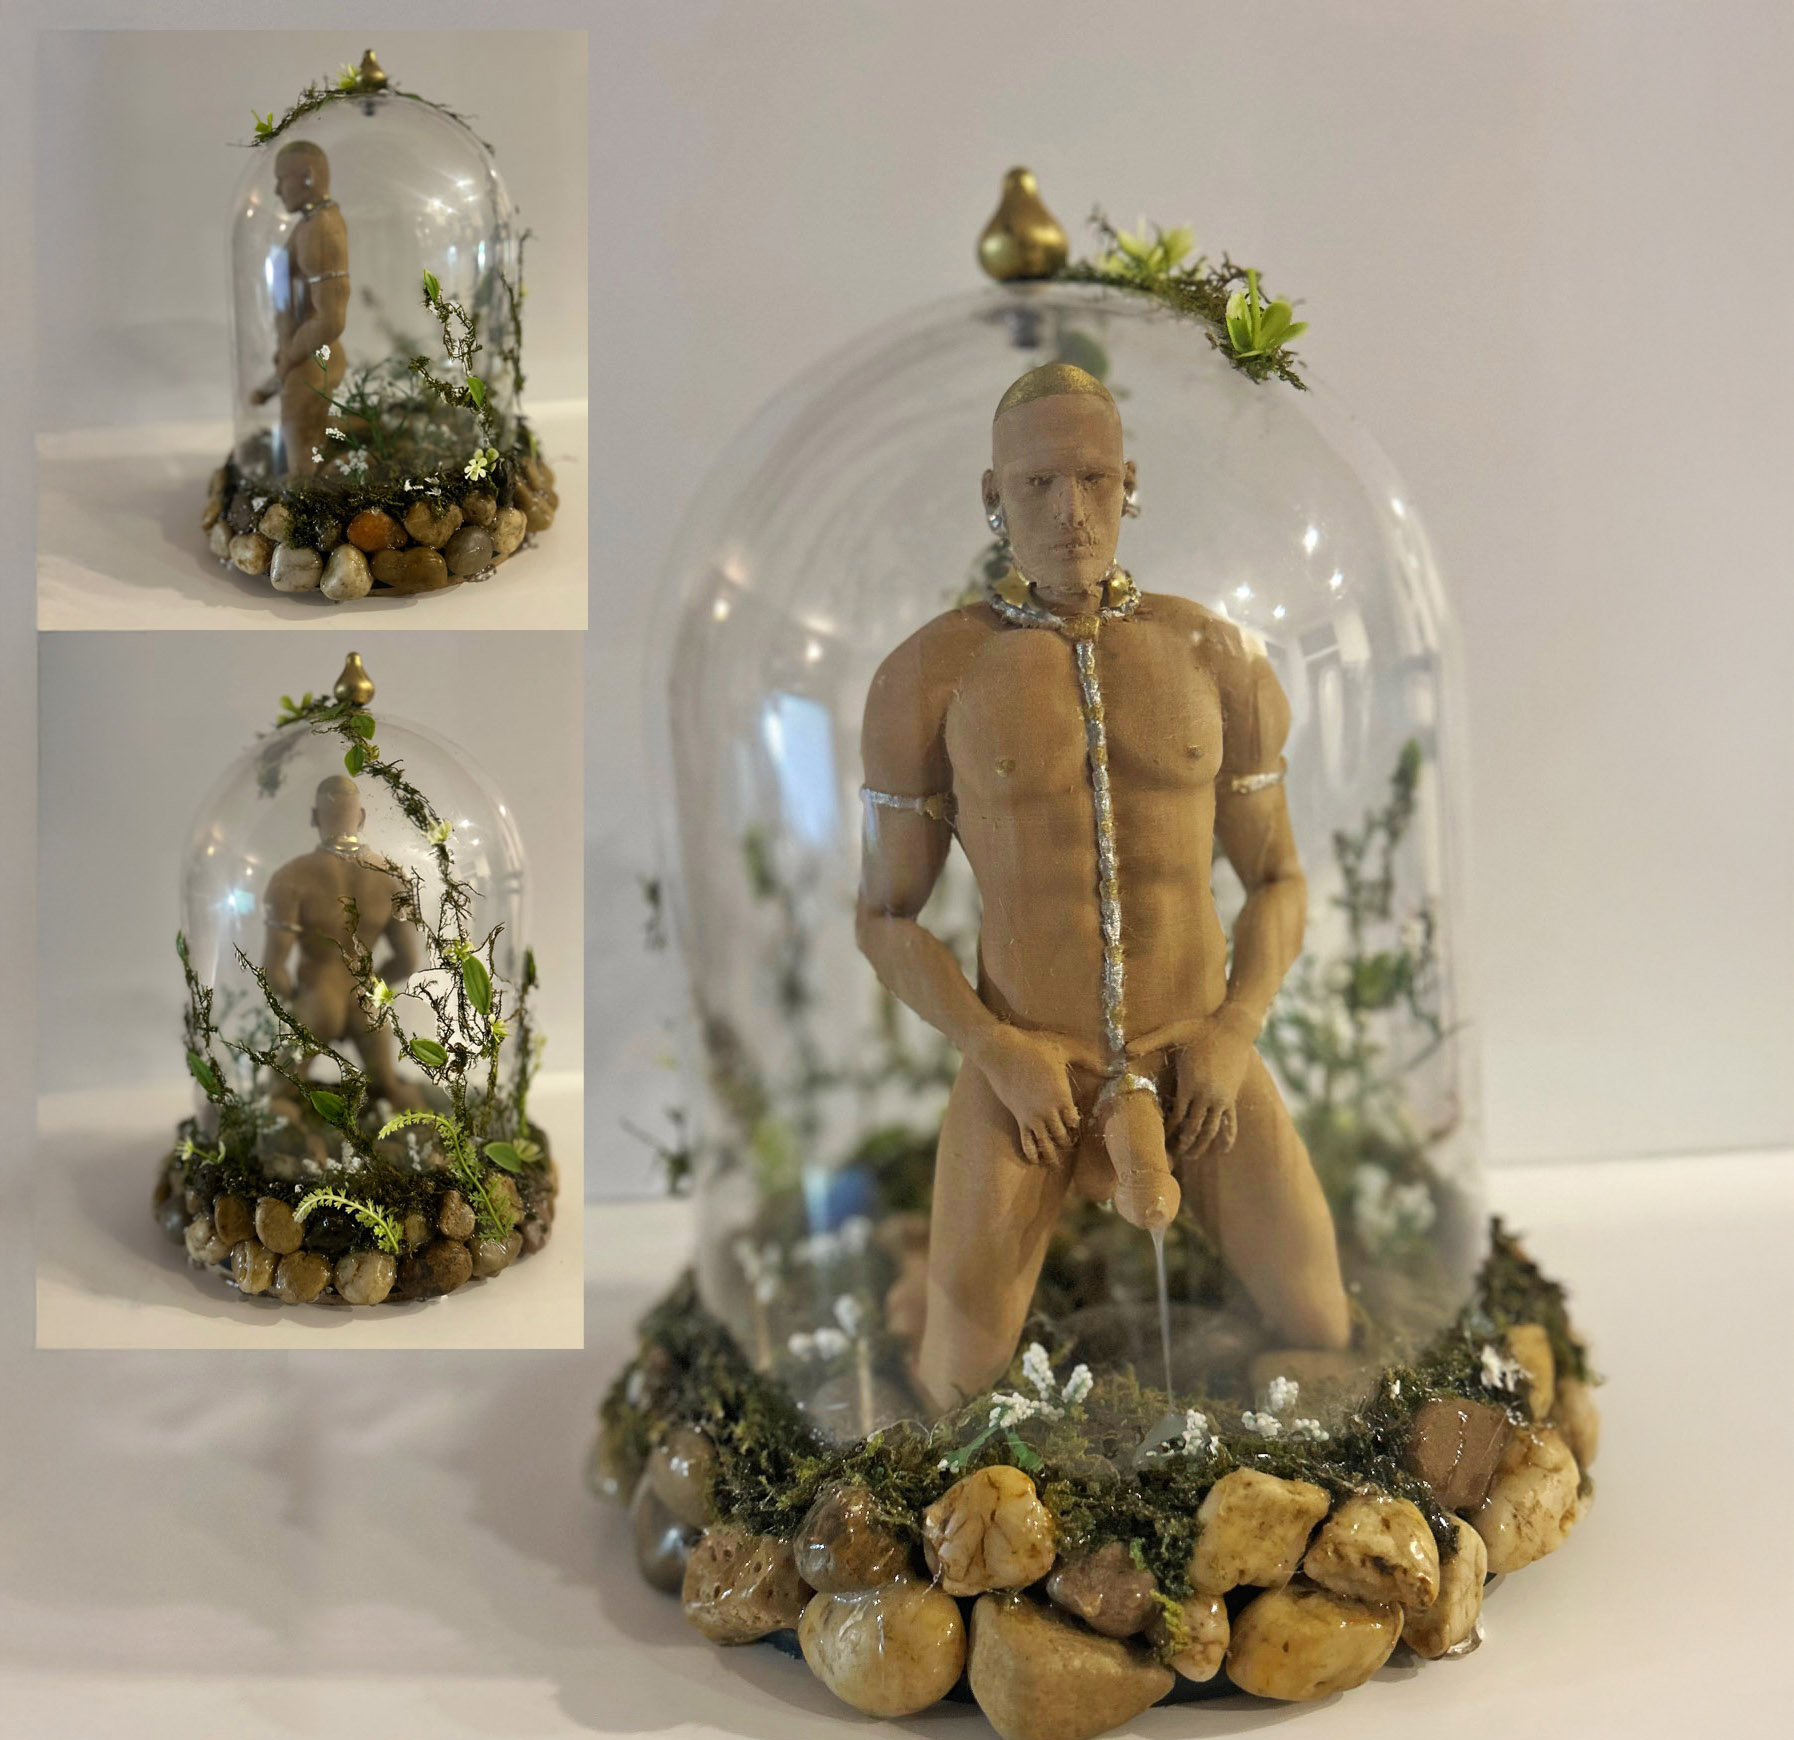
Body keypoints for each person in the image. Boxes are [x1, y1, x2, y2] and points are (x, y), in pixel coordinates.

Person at [856, 362, 1350, 1411]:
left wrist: (1236, 1028)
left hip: (1199, 1057)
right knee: (953, 1386)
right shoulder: (929, 677)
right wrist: (994, 1048)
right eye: (1037, 484)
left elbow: (1278, 879)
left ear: (1130, 483)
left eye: (1091, 479)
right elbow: (886, 917)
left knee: (1322, 1324)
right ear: (993, 495)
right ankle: (917, 1280)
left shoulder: (1218, 657)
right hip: (1029, 1074)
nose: (1069, 512)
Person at [262, 775, 423, 1112]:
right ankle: (413, 1131)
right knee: (388, 1089)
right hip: (366, 1000)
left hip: (318, 997)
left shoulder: (291, 877)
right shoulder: (391, 877)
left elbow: (274, 969)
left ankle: (293, 1130)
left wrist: (296, 1001)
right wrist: (374, 988)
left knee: (279, 1095)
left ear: (314, 817)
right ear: (361, 817)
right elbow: (408, 960)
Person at [249, 139, 349, 478]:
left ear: (308, 177)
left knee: (302, 462)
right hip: (301, 357)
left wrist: (290, 357)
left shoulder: (322, 230)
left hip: (312, 360)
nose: (277, 190)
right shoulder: (309, 224)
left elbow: (331, 320)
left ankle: (303, 504)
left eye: (282, 179)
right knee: (305, 441)